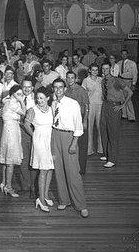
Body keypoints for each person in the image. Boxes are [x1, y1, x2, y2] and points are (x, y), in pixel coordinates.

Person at [51, 78, 89, 218]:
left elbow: (78, 126)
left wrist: (74, 143)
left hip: (69, 137)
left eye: (61, 87)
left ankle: (81, 205)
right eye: (55, 87)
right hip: (55, 135)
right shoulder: (53, 103)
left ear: (65, 88)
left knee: (73, 172)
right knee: (59, 170)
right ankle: (64, 200)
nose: (58, 90)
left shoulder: (73, 104)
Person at [24, 87, 54, 212]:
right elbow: (26, 125)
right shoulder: (32, 110)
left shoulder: (52, 109)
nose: (39, 100)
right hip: (39, 141)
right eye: (38, 98)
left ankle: (45, 195)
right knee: (43, 169)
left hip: (51, 140)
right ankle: (40, 200)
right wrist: (34, 135)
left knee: (50, 168)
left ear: (48, 98)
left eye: (42, 98)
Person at [100, 63, 133, 168]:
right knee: (104, 130)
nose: (105, 70)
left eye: (107, 68)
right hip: (105, 105)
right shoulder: (103, 80)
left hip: (114, 107)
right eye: (103, 68)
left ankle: (112, 159)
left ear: (111, 69)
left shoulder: (117, 80)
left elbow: (130, 92)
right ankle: (107, 154)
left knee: (113, 133)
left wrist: (122, 105)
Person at [0, 85, 26, 198]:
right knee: (10, 160)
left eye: (21, 94)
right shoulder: (13, 103)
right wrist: (22, 101)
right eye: (18, 94)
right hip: (12, 131)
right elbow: (24, 113)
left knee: (6, 159)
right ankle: (8, 187)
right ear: (13, 94)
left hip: (8, 130)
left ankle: (4, 183)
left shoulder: (7, 101)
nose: (21, 96)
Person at [65, 71, 90, 175]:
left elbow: (87, 107)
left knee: (82, 145)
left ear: (76, 79)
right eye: (68, 78)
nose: (70, 80)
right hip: (70, 122)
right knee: (73, 144)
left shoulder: (81, 90)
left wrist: (84, 121)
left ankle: (82, 169)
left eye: (72, 78)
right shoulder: (66, 91)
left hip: (80, 120)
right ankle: (74, 168)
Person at [19, 79, 37, 199]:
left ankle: (34, 186)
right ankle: (26, 185)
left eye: (29, 87)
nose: (27, 89)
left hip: (34, 130)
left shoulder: (37, 98)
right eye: (24, 87)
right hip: (20, 130)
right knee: (23, 159)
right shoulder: (16, 97)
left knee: (34, 159)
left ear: (32, 88)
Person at [82, 64, 103, 156]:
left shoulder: (101, 80)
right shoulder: (86, 80)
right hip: (90, 105)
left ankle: (101, 149)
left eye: (96, 70)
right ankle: (89, 150)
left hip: (100, 105)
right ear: (89, 70)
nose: (95, 72)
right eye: (93, 70)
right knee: (89, 128)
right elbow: (83, 94)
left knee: (100, 127)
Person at [117, 50, 137, 122]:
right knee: (122, 98)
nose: (124, 55)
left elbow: (135, 74)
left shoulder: (132, 63)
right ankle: (124, 114)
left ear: (127, 55)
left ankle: (131, 117)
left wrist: (133, 84)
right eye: (122, 54)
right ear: (121, 55)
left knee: (128, 99)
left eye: (125, 54)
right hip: (121, 81)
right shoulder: (118, 63)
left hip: (129, 81)